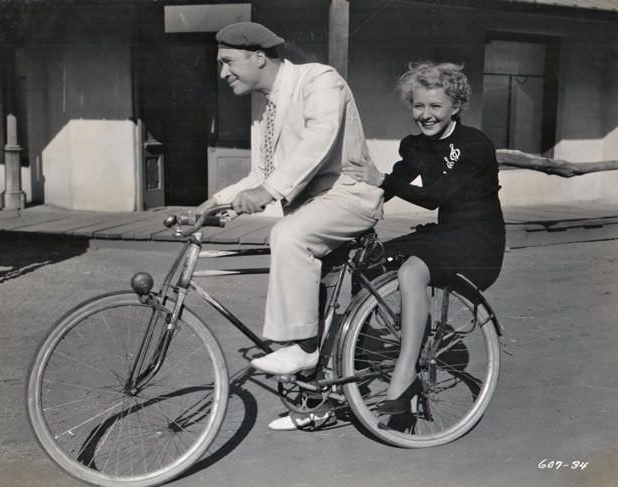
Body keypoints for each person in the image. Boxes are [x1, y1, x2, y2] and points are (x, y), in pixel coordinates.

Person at [196, 22, 383, 428]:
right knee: (316, 303)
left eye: (228, 62)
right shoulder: (268, 110)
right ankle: (315, 407)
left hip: (349, 196)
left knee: (288, 236)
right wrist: (214, 203)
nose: (223, 72)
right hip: (315, 207)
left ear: (258, 56)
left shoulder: (318, 79)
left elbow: (319, 140)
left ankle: (301, 348)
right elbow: (262, 172)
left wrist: (269, 191)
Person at [343, 61, 505, 424]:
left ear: (455, 107)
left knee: (413, 270)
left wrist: (382, 178)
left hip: (478, 242)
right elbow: (394, 185)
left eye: (435, 106)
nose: (426, 115)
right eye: (418, 106)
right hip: (444, 236)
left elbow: (435, 196)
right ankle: (362, 364)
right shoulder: (414, 145)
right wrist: (351, 207)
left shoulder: (473, 143)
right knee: (368, 262)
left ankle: (404, 376)